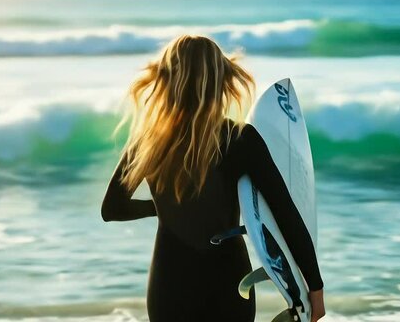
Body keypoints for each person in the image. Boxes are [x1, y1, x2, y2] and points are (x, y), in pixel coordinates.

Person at [101, 35, 325, 322]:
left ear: (168, 81)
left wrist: (165, 209)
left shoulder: (148, 141)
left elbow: (112, 209)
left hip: (169, 284)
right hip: (228, 282)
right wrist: (314, 288)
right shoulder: (240, 139)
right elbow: (285, 213)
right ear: (221, 80)